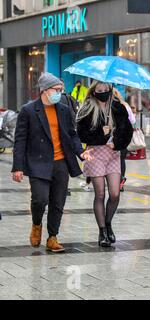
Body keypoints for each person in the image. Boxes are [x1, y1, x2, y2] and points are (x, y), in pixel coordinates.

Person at [11, 72, 93, 252]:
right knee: (39, 199)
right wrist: (17, 167)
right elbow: (20, 140)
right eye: (57, 90)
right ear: (45, 90)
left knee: (58, 202)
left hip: (61, 162)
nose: (60, 93)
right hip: (38, 162)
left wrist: (81, 152)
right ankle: (36, 224)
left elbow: (72, 134)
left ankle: (52, 237)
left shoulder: (63, 110)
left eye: (61, 90)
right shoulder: (28, 110)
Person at [76, 81, 133, 247]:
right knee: (100, 194)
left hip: (113, 154)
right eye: (99, 90)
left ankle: (108, 223)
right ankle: (102, 231)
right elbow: (81, 134)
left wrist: (116, 143)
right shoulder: (87, 109)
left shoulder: (118, 108)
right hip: (95, 154)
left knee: (115, 194)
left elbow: (127, 131)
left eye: (106, 89)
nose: (103, 92)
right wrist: (102, 134)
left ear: (110, 90)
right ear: (94, 91)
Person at [113, 88, 136, 192]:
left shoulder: (109, 106)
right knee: (121, 160)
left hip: (113, 138)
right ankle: (120, 181)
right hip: (124, 138)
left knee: (113, 161)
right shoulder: (125, 105)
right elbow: (133, 120)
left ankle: (114, 181)